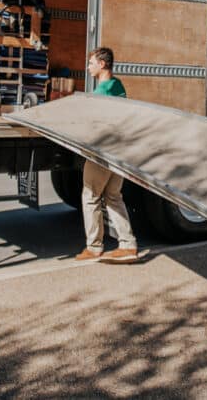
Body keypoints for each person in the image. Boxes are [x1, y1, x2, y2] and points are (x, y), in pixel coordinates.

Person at [75, 47, 140, 264]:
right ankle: (128, 244)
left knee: (90, 196)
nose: (88, 66)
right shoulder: (118, 86)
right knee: (113, 196)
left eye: (91, 63)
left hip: (101, 153)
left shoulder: (99, 94)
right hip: (119, 151)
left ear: (102, 64)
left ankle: (94, 247)